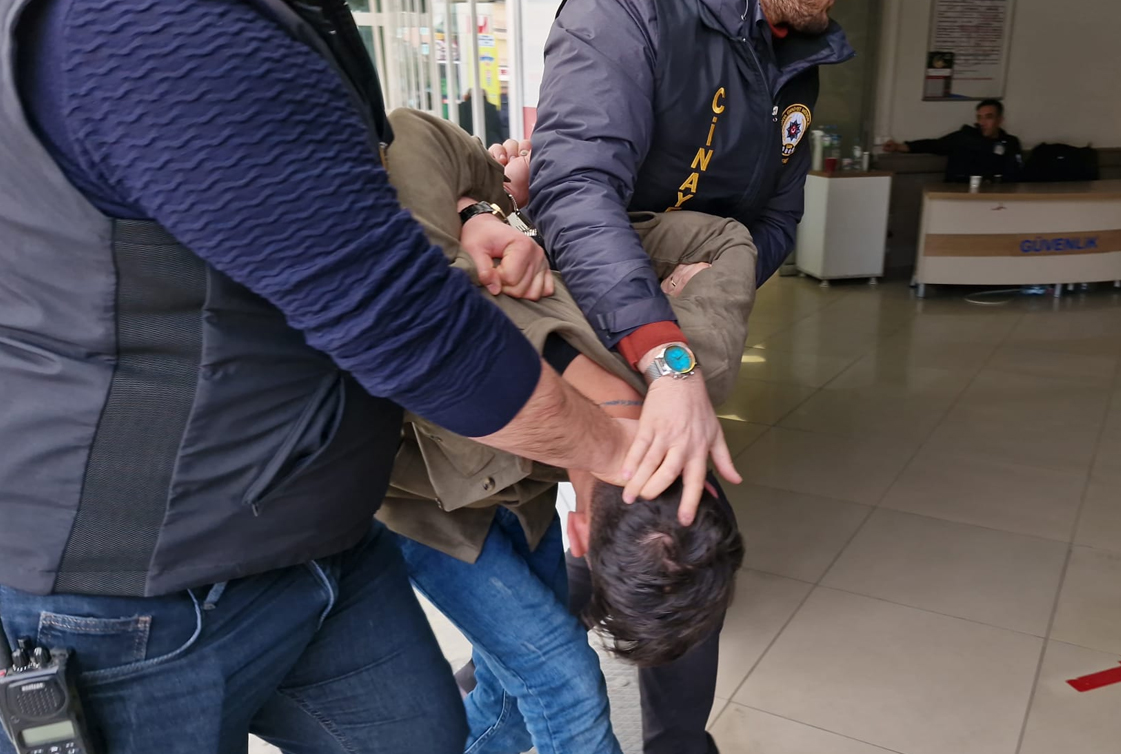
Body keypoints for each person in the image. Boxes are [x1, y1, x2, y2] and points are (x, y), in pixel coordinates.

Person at [0, 1, 656, 752]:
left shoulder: (293, 19)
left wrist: (471, 211)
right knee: (560, 683)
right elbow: (400, 317)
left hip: (323, 531)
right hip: (138, 588)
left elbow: (347, 204)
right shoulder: (150, 23)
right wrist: (617, 449)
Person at [524, 0, 854, 751]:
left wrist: (699, 303)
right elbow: (573, 189)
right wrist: (662, 347)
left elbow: (773, 223)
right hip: (591, 317)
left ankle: (672, 736)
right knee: (553, 548)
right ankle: (503, 687)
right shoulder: (631, 12)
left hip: (673, 329)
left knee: (674, 540)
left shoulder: (798, 57)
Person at [377, 108, 753, 754]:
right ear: (579, 535)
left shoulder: (693, 364)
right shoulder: (685, 368)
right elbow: (408, 133)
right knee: (566, 689)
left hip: (510, 501)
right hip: (429, 512)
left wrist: (480, 212)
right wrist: (494, 206)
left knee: (512, 699)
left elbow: (723, 243)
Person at [883, 99, 1024, 183]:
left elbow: (1015, 174)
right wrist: (898, 147)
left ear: (1000, 120)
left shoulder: (1010, 143)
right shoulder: (965, 137)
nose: (982, 122)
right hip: (959, 192)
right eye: (979, 117)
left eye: (988, 117)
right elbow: (934, 145)